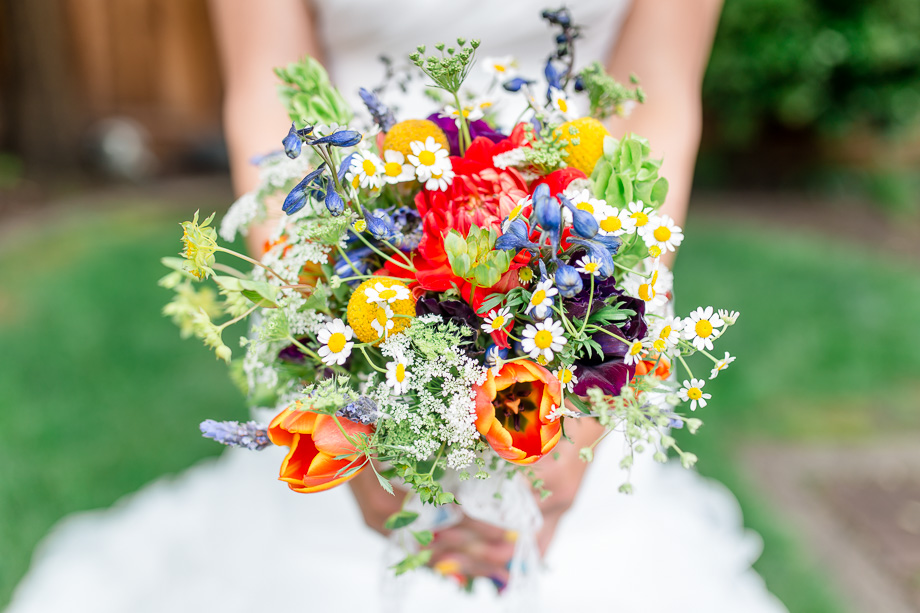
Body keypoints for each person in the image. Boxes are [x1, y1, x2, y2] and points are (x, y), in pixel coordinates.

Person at [5, 2, 789, 612]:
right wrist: (339, 373)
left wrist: (587, 387)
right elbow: (271, 91)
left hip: (581, 273)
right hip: (355, 258)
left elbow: (659, 99)